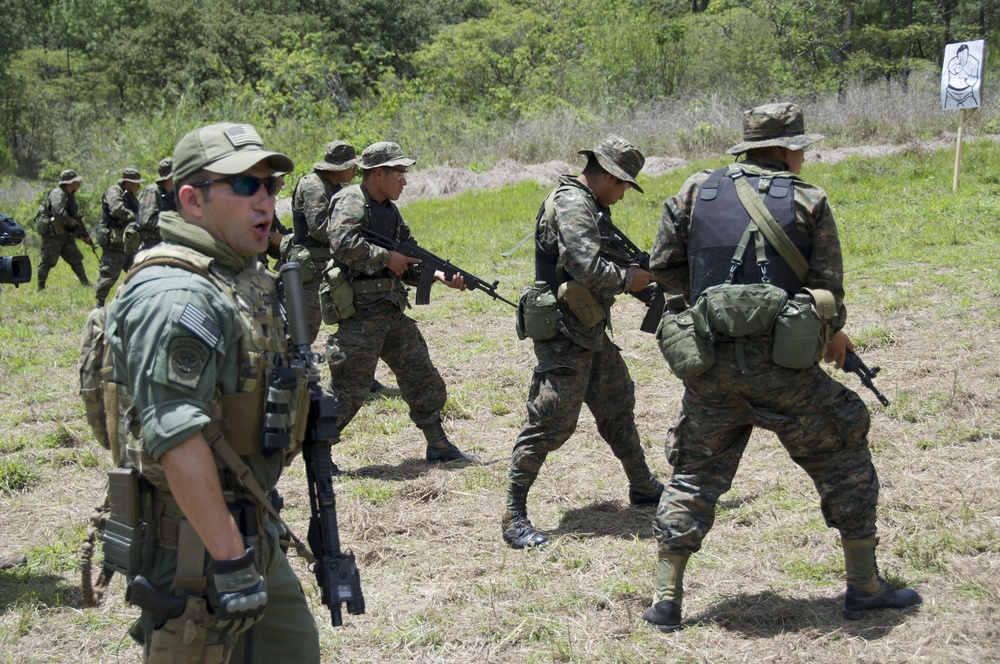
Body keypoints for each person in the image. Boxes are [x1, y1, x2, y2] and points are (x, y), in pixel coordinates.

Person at [641, 102, 921, 632]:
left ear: (747, 147)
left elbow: (664, 271)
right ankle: (864, 586)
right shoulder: (808, 200)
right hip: (784, 369)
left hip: (710, 370)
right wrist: (825, 332)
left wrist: (713, 311)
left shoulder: (693, 192)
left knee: (694, 473)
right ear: (791, 149)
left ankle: (666, 600)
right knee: (843, 449)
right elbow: (826, 288)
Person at [106, 122, 320, 662]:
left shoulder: (236, 277)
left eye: (269, 185)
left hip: (250, 526)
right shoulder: (178, 294)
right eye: (244, 186)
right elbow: (174, 433)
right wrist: (228, 560)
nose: (264, 199)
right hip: (197, 548)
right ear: (191, 201)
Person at [501, 135, 664, 549]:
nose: (624, 193)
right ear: (607, 176)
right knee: (550, 420)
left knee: (616, 403)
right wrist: (631, 280)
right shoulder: (574, 203)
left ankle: (643, 486)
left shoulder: (589, 204)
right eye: (624, 184)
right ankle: (514, 515)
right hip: (564, 335)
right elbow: (584, 265)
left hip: (587, 329)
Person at [325, 141, 471, 463]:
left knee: (422, 375)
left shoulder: (389, 210)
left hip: (391, 310)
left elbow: (406, 260)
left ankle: (437, 443)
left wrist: (436, 276)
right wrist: (387, 257)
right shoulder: (351, 200)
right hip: (361, 316)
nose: (404, 180)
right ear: (378, 173)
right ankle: (318, 453)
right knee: (348, 389)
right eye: (399, 173)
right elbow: (341, 243)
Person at [36, 169, 92, 290]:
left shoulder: (70, 197)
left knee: (75, 258)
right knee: (47, 260)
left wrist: (82, 234)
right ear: (69, 183)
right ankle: (40, 287)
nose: (79, 184)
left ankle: (85, 283)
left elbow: (74, 217)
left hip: (65, 234)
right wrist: (70, 221)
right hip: (53, 234)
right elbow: (58, 211)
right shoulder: (58, 193)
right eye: (76, 181)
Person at [95, 167, 143, 307]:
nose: (138, 186)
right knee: (109, 273)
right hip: (114, 241)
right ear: (127, 182)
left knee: (137, 270)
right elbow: (117, 210)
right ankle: (100, 303)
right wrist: (137, 218)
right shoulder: (114, 191)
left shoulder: (130, 195)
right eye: (135, 182)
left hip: (128, 240)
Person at [134, 158, 176, 250]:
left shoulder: (173, 193)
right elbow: (146, 220)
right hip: (153, 246)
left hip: (169, 244)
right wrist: (173, 224)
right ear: (171, 176)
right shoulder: (152, 192)